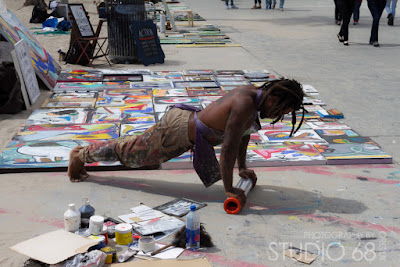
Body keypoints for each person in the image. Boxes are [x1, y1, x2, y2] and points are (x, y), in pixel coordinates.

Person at [68, 79, 305, 205]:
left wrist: (242, 169)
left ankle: (84, 154)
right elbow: (229, 149)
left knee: (135, 148)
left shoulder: (254, 101)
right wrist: (229, 188)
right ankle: (81, 155)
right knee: (132, 154)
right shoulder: (245, 104)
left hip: (185, 128)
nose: (279, 116)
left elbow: (243, 136)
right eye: (281, 110)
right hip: (178, 129)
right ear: (273, 96)